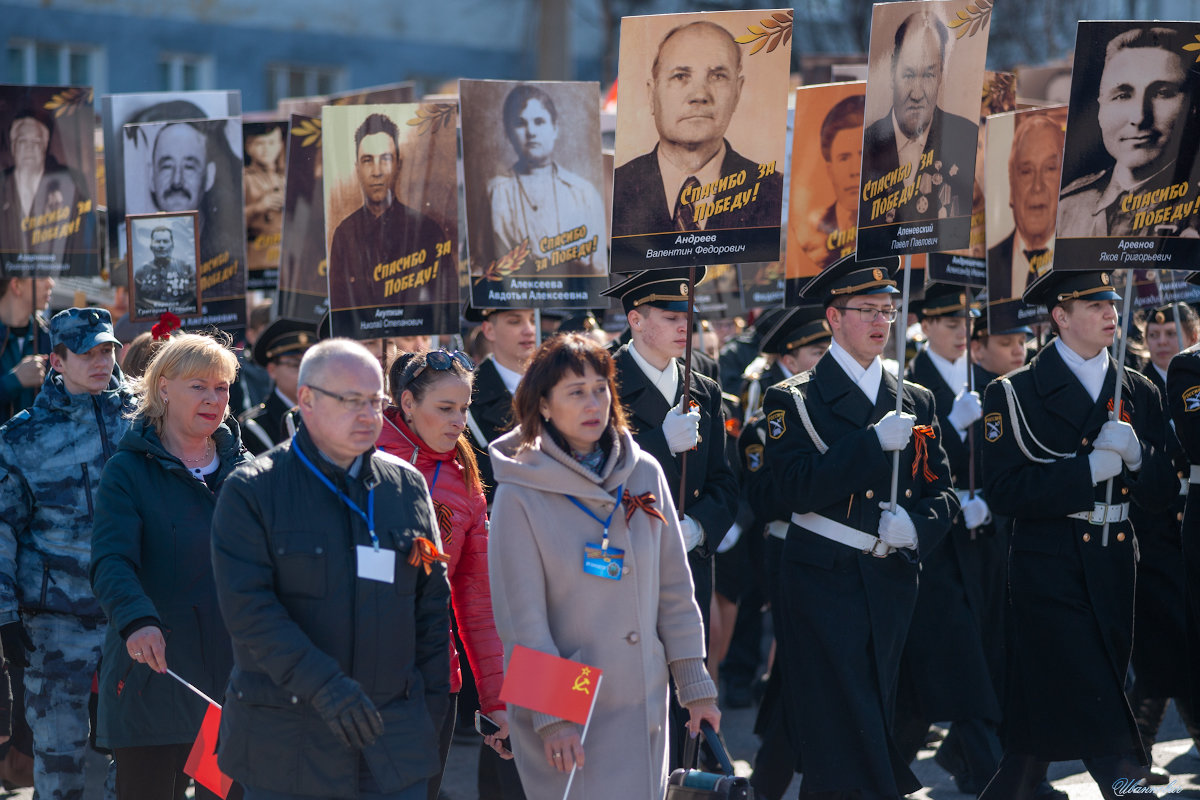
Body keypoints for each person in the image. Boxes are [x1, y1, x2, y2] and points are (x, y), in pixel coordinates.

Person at [211, 338, 450, 799]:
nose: (368, 415)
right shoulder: (253, 491)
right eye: (350, 401)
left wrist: (430, 709)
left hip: (392, 748)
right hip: (288, 748)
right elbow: (250, 613)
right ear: (307, 400)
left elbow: (431, 610)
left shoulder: (406, 488)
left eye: (375, 402)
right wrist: (327, 688)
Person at [487, 332, 720, 799]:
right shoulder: (520, 490)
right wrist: (553, 719)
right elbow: (521, 619)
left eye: (600, 388)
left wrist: (694, 684)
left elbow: (675, 587)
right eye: (576, 392)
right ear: (545, 406)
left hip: (643, 697)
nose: (593, 402)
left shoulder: (644, 470)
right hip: (572, 706)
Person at [760, 255, 958, 799]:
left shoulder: (914, 398)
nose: (879, 320)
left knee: (872, 713)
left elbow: (943, 491)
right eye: (866, 309)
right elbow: (795, 488)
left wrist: (915, 529)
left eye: (888, 310)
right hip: (821, 580)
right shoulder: (793, 398)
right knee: (840, 725)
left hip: (889, 578)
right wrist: (870, 446)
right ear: (833, 318)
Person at [978, 270, 1175, 800]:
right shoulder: (1014, 393)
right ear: (1060, 317)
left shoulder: (1136, 386)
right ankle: (1132, 789)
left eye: (1112, 302)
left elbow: (1163, 491)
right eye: (1094, 304)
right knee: (1097, 690)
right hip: (1049, 564)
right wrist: (1085, 471)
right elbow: (1003, 491)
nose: (1112, 312)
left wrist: (1136, 457)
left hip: (1114, 561)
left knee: (1036, 731)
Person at [90, 332, 249, 800]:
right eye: (198, 385)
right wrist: (138, 621)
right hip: (153, 680)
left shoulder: (248, 471)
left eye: (221, 387)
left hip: (231, 684)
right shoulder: (128, 470)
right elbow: (111, 560)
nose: (213, 398)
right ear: (163, 387)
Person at [601, 267, 737, 767]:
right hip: (621, 564)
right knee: (627, 698)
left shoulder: (702, 387)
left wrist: (697, 527)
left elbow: (725, 482)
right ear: (636, 319)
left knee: (688, 704)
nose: (685, 323)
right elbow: (589, 474)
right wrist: (657, 445)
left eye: (688, 313)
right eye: (669, 314)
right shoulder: (601, 384)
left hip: (686, 566)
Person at [0, 307, 132, 799]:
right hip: (54, 624)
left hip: (132, 618)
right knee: (58, 761)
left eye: (107, 350)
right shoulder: (21, 436)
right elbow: (2, 529)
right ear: (56, 359)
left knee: (136, 757)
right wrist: (5, 614)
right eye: (86, 352)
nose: (101, 361)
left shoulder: (143, 421)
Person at [377, 349, 511, 800]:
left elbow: (477, 603)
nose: (458, 422)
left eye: (464, 409)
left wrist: (496, 701)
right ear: (408, 403)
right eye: (445, 408)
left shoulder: (467, 482)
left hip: (436, 677)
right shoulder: (356, 455)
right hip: (359, 675)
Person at [893, 284, 1004, 794]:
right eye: (948, 322)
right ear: (926, 325)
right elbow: (915, 472)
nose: (961, 332)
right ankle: (992, 771)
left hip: (987, 541)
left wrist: (991, 504)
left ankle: (917, 762)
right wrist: (955, 434)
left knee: (985, 652)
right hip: (940, 547)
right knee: (960, 658)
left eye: (966, 322)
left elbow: (1009, 460)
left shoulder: (989, 382)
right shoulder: (910, 385)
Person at [739, 306, 832, 800]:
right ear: (790, 358)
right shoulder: (763, 425)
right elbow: (765, 499)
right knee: (803, 668)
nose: (824, 361)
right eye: (816, 352)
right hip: (786, 549)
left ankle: (771, 776)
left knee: (800, 672)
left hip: (833, 552)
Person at [611, 20, 784, 236]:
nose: (700, 95)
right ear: (652, 94)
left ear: (737, 93)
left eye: (717, 76)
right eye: (681, 76)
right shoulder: (613, 191)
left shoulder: (775, 191)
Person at [1126, 303, 1200, 781]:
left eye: (1172, 331)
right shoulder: (1135, 385)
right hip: (1157, 526)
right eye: (1153, 332)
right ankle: (1131, 756)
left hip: (1180, 523)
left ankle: (1135, 755)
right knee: (1163, 648)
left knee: (1181, 648)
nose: (1161, 340)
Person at [1058, 26, 1199, 237]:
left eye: (1162, 93)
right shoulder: (1068, 207)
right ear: (1100, 110)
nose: (1139, 117)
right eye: (1122, 96)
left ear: (1193, 107)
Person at [860, 10, 978, 226]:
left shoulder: (968, 138)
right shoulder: (864, 145)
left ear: (941, 74)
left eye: (928, 75)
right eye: (908, 75)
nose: (916, 94)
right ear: (892, 72)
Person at [327, 113, 452, 311]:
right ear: (357, 168)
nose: (377, 171)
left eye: (385, 159)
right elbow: (339, 308)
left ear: (398, 165)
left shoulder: (428, 231)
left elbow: (444, 310)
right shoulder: (345, 234)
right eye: (368, 160)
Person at [484, 85, 607, 276]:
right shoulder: (494, 193)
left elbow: (599, 272)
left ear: (555, 128)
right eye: (520, 123)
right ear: (508, 133)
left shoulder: (584, 193)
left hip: (572, 302)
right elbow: (479, 269)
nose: (531, 132)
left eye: (539, 121)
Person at [0, 107, 92, 272]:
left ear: (45, 146)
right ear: (13, 146)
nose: (29, 147)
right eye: (22, 141)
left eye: (35, 142)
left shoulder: (71, 183)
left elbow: (81, 244)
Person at [462, 305, 538, 502]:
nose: (529, 329)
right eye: (515, 321)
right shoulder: (466, 395)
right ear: (489, 330)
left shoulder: (555, 385)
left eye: (532, 319)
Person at [988, 113, 1065, 300]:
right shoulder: (987, 263)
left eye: (1050, 169)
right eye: (1026, 171)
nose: (1037, 186)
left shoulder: (1080, 263)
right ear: (1012, 184)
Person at [798, 94, 865, 270]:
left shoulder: (899, 231)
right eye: (844, 158)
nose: (855, 171)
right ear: (830, 169)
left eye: (863, 156)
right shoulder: (812, 239)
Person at [238, 318, 317, 456]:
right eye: (295, 364)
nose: (306, 373)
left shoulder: (329, 414)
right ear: (272, 370)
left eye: (311, 364)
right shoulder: (255, 427)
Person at [0, 275, 53, 424]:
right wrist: (13, 381)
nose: (51, 283)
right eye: (42, 276)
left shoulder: (51, 336)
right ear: (16, 285)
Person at [243, 123, 286, 271]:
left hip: (285, 256)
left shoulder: (285, 178)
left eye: (272, 143)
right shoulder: (244, 178)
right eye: (260, 143)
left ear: (280, 145)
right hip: (257, 257)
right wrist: (258, 207)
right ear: (249, 147)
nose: (267, 149)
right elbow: (229, 224)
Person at [132, 226, 197, 318]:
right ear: (151, 246)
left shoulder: (187, 269)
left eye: (165, 241)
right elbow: (138, 305)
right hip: (149, 323)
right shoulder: (141, 272)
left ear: (172, 245)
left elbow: (192, 302)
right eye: (158, 242)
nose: (161, 246)